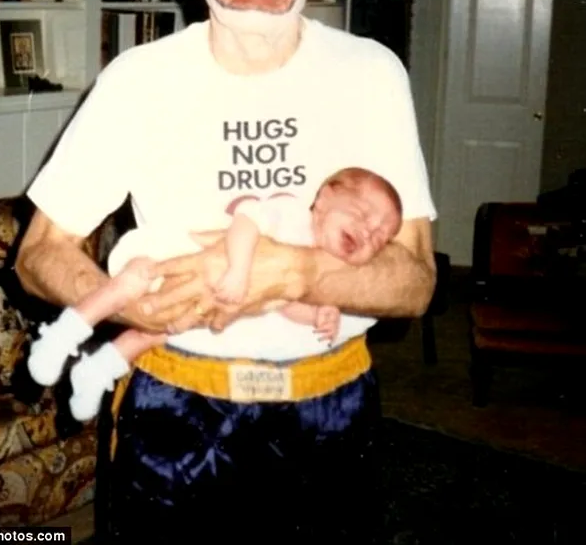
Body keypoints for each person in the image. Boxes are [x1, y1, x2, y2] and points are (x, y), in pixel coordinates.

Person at [15, 0, 437, 541]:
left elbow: (416, 280)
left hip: (330, 410)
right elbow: (39, 253)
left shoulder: (372, 74)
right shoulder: (137, 79)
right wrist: (126, 302)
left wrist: (291, 270)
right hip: (177, 410)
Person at [26, 166, 403, 421]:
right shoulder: (291, 215)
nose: (367, 232)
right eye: (361, 214)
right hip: (176, 256)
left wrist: (319, 314)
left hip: (205, 301)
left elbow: (285, 304)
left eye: (378, 238)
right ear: (324, 197)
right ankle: (63, 334)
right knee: (132, 283)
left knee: (160, 331)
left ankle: (96, 371)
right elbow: (246, 222)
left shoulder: (321, 266)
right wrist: (238, 268)